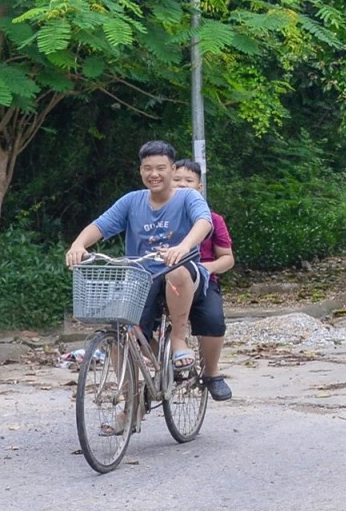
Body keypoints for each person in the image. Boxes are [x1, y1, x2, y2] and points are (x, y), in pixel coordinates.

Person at [65, 141, 212, 375]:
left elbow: (204, 222)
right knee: (119, 332)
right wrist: (78, 244)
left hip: (181, 272)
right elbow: (100, 225)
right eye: (147, 168)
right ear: (140, 170)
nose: (154, 174)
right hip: (141, 276)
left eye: (161, 168)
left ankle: (178, 340)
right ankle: (130, 399)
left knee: (176, 271)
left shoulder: (188, 198)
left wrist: (183, 247)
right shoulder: (132, 200)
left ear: (173, 170)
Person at [172, 159, 234, 401]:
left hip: (203, 281)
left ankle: (211, 372)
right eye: (177, 180)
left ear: (199, 188)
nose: (182, 185)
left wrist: (204, 268)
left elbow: (227, 259)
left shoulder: (213, 219)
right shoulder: (156, 214)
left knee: (213, 321)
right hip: (164, 278)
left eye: (188, 181)